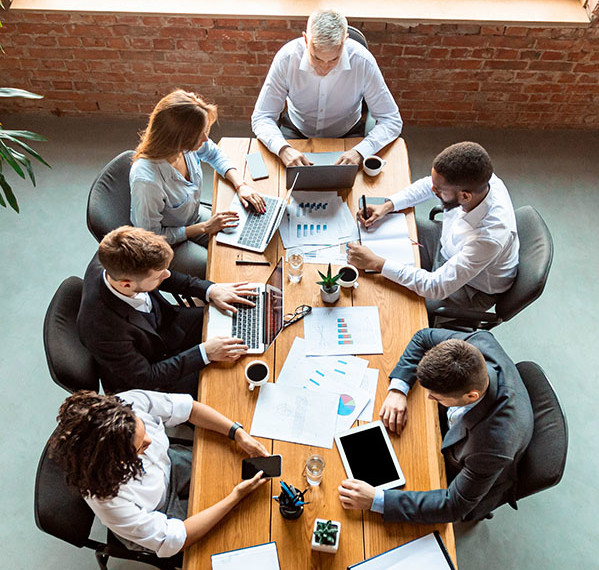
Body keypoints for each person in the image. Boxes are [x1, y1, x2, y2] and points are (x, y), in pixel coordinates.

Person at [338, 328, 534, 523]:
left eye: (436, 396)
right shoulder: (476, 344)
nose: (428, 397)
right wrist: (399, 389)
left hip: (462, 470)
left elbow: (454, 506)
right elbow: (422, 337)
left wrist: (376, 500)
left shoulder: (492, 446)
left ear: (471, 396)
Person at [49, 389, 269, 559]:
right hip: (160, 512)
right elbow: (178, 537)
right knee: (238, 534)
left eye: (143, 428)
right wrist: (235, 497)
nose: (150, 441)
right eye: (139, 448)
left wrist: (237, 433)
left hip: (171, 464)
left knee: (229, 470)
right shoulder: (110, 501)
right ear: (115, 463)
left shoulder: (127, 404)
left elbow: (189, 408)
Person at [77, 226, 256, 396]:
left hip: (166, 326)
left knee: (236, 320)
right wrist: (204, 353)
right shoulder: (101, 329)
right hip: (154, 374)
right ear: (126, 284)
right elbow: (147, 377)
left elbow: (163, 276)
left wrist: (210, 290)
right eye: (159, 275)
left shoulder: (118, 259)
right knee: (231, 383)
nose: (167, 275)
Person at [347, 142, 519, 317]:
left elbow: (435, 287)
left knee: (401, 307)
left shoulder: (488, 238)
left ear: (465, 196)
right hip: (448, 245)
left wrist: (375, 262)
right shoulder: (477, 180)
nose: (432, 190)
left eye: (439, 191)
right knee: (390, 228)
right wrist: (387, 205)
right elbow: (428, 187)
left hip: (472, 287)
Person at [130, 89, 266, 278]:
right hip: (168, 243)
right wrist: (203, 228)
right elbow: (150, 237)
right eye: (200, 135)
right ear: (178, 139)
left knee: (244, 242)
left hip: (192, 218)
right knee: (220, 270)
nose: (206, 139)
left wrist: (240, 185)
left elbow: (214, 153)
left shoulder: (185, 147)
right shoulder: (147, 182)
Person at [251, 9, 402, 168]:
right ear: (306, 40)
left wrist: (361, 151)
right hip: (297, 130)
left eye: (334, 59)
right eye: (316, 58)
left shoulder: (363, 61)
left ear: (345, 40)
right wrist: (282, 149)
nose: (324, 67)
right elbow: (262, 117)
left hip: (347, 133)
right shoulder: (286, 59)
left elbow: (391, 120)